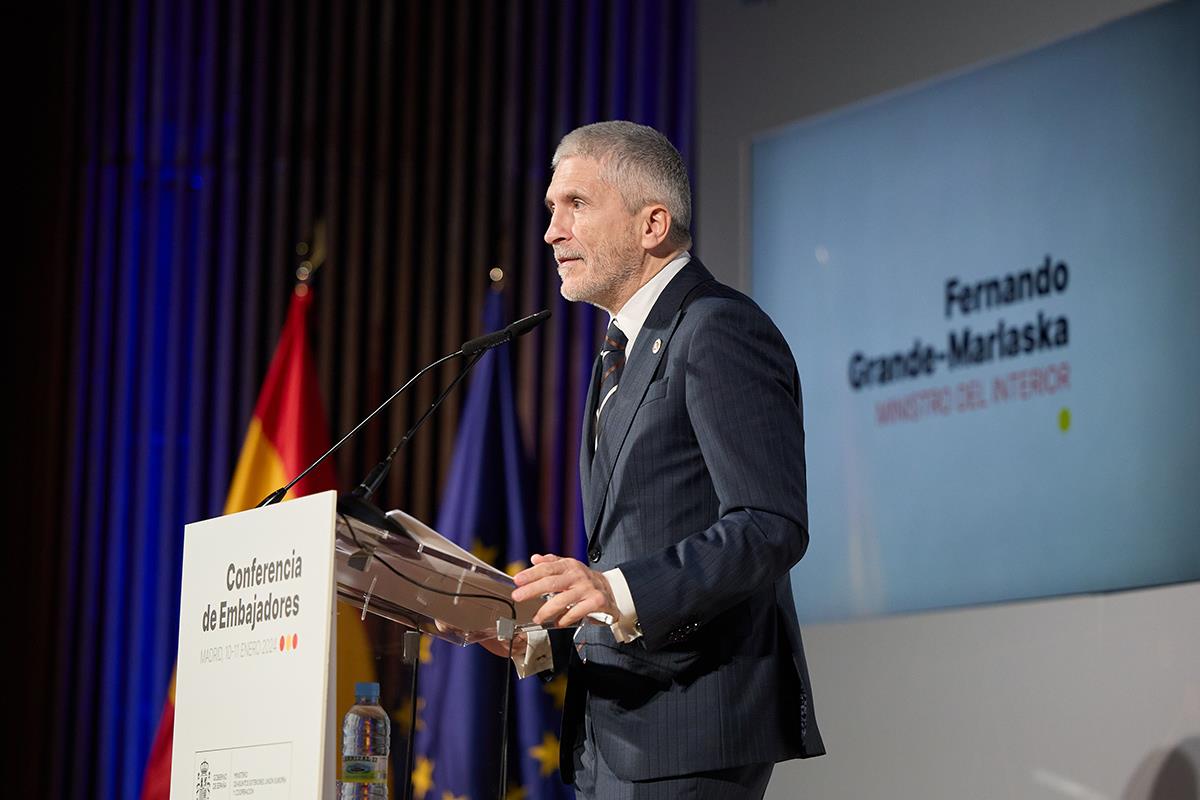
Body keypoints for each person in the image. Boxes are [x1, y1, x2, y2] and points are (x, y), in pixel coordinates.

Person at [485, 120, 824, 798]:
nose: (552, 230)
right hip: (612, 728)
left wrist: (615, 590)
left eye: (576, 204)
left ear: (651, 225)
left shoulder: (718, 328)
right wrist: (540, 627)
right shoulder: (621, 352)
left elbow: (768, 523)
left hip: (690, 729)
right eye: (551, 208)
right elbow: (639, 537)